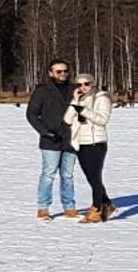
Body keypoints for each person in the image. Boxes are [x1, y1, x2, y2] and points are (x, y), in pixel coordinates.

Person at [27, 59, 79, 219]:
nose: (63, 74)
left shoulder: (75, 89)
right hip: (50, 140)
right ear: (51, 73)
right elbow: (31, 114)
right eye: (59, 71)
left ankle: (69, 207)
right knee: (48, 174)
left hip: (71, 139)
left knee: (68, 175)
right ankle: (43, 208)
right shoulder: (42, 90)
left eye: (65, 71)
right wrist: (45, 132)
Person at [66, 73, 113, 222]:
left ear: (93, 84)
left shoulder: (102, 98)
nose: (83, 87)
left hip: (96, 143)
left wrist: (83, 110)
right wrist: (75, 101)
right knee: (91, 178)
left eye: (86, 84)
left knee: (95, 177)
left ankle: (96, 210)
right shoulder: (80, 99)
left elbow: (102, 120)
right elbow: (67, 120)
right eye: (79, 85)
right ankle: (107, 204)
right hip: (81, 143)